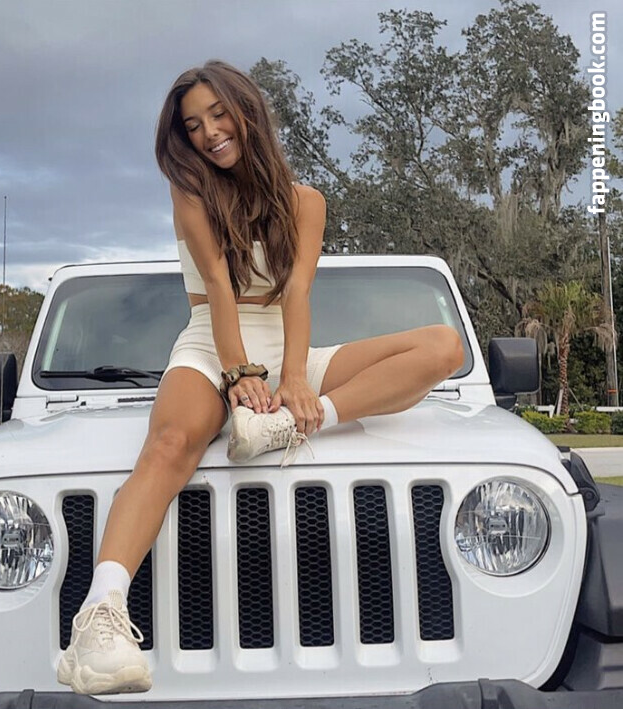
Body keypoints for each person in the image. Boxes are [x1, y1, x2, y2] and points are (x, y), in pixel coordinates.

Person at [57, 59, 465, 696]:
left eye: (219, 115)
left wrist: (295, 380)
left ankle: (291, 428)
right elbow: (219, 285)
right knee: (169, 444)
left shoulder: (306, 202)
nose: (209, 133)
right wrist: (237, 373)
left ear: (247, 111)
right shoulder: (191, 191)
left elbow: (297, 291)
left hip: (288, 344)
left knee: (443, 346)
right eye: (193, 125)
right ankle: (99, 620)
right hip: (212, 343)